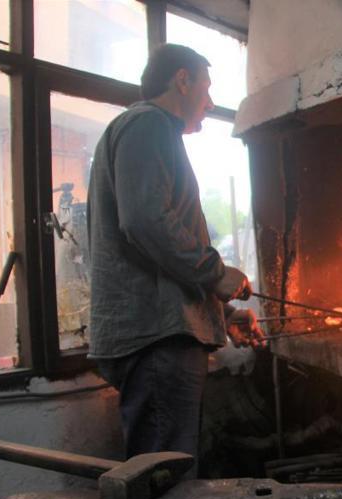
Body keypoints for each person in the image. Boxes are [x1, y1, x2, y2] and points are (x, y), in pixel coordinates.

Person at [87, 43, 263, 465]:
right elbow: (145, 221)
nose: (210, 102)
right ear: (182, 80)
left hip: (159, 335)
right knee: (164, 476)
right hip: (157, 339)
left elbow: (157, 248)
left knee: (165, 469)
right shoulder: (148, 123)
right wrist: (213, 272)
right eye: (206, 87)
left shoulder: (143, 129)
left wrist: (220, 314)